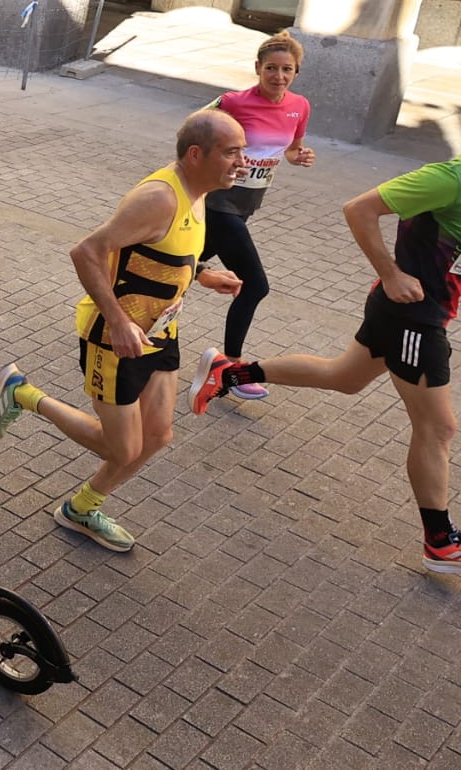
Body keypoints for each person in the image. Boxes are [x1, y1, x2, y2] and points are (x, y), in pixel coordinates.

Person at [0, 110, 246, 551]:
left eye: (243, 150)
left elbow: (157, 251)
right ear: (197, 154)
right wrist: (120, 322)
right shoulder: (160, 197)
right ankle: (22, 393)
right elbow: (87, 252)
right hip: (114, 337)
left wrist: (202, 273)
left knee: (158, 435)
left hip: (159, 333)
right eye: (232, 152)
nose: (242, 162)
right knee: (121, 449)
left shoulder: (199, 193)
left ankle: (81, 509)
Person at [191, 157, 461, 573]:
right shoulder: (450, 178)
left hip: (411, 313)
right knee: (437, 428)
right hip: (413, 318)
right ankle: (440, 542)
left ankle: (230, 373)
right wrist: (390, 273)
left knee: (343, 377)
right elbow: (359, 208)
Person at [196, 32, 314, 400]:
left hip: (247, 206)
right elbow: (194, 132)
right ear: (257, 69)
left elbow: (291, 149)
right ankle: (227, 368)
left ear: (295, 72)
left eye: (286, 69)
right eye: (271, 68)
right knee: (255, 286)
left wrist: (299, 157)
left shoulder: (299, 106)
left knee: (184, 263)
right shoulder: (234, 102)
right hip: (220, 204)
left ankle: (119, 317)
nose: (278, 76)